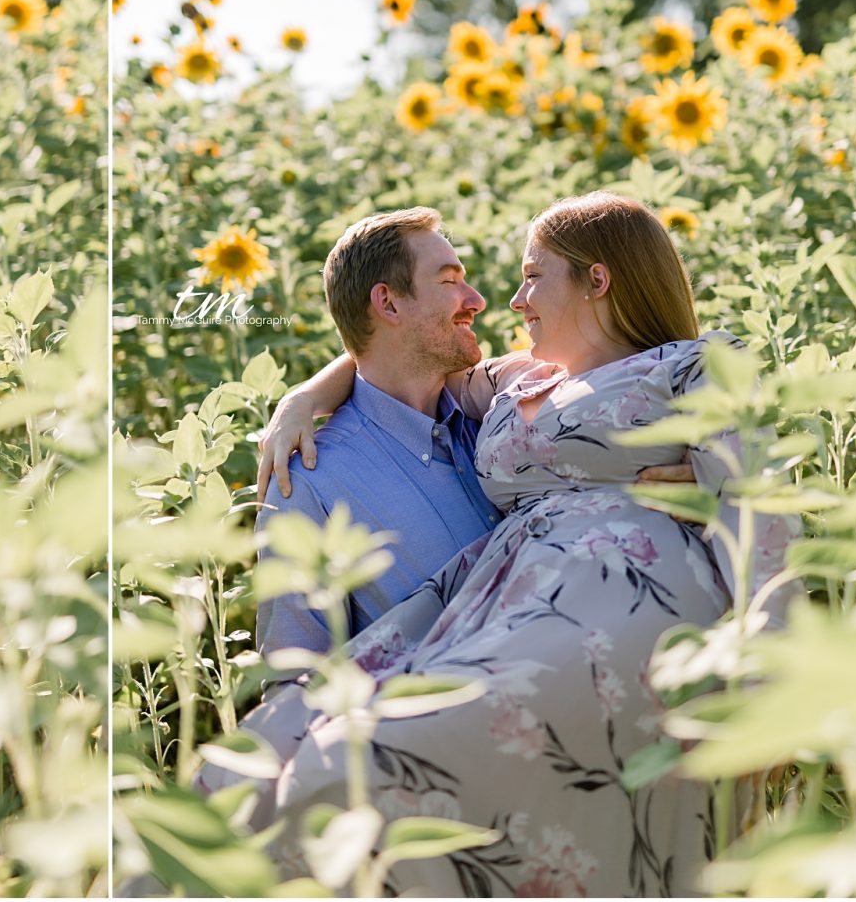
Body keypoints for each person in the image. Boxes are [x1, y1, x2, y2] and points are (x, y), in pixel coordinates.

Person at [204, 192, 797, 897]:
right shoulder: (518, 382)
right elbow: (384, 364)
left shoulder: (697, 363)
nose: (506, 299)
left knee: (368, 768)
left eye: (532, 275)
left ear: (597, 280)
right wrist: (298, 400)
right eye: (459, 278)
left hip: (611, 618)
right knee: (262, 766)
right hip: (487, 619)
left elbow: (763, 511)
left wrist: (773, 681)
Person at [253, 207, 690, 660]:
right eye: (449, 281)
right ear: (388, 303)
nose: (479, 300)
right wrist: (301, 400)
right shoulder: (308, 482)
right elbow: (292, 681)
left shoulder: (511, 410)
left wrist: (709, 478)